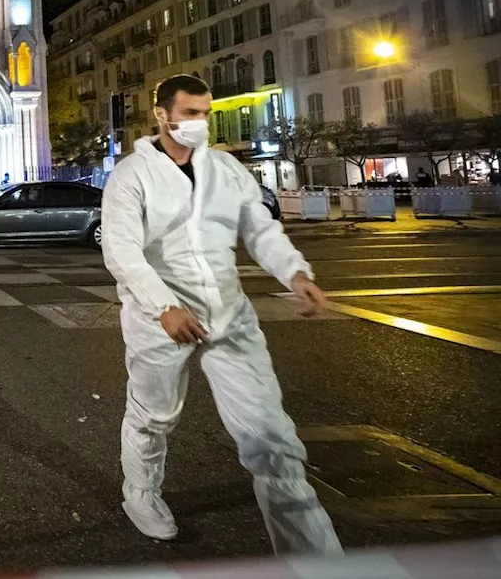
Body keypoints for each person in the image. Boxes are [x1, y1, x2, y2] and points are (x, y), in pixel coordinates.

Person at [101, 74, 341, 555]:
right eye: (190, 113)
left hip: (230, 317)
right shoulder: (131, 174)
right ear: (162, 114)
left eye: (205, 113)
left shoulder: (227, 169)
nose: (200, 123)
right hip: (161, 321)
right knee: (153, 417)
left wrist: (295, 274)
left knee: (272, 435)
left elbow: (260, 228)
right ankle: (141, 493)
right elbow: (123, 251)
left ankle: (314, 557)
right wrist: (163, 306)